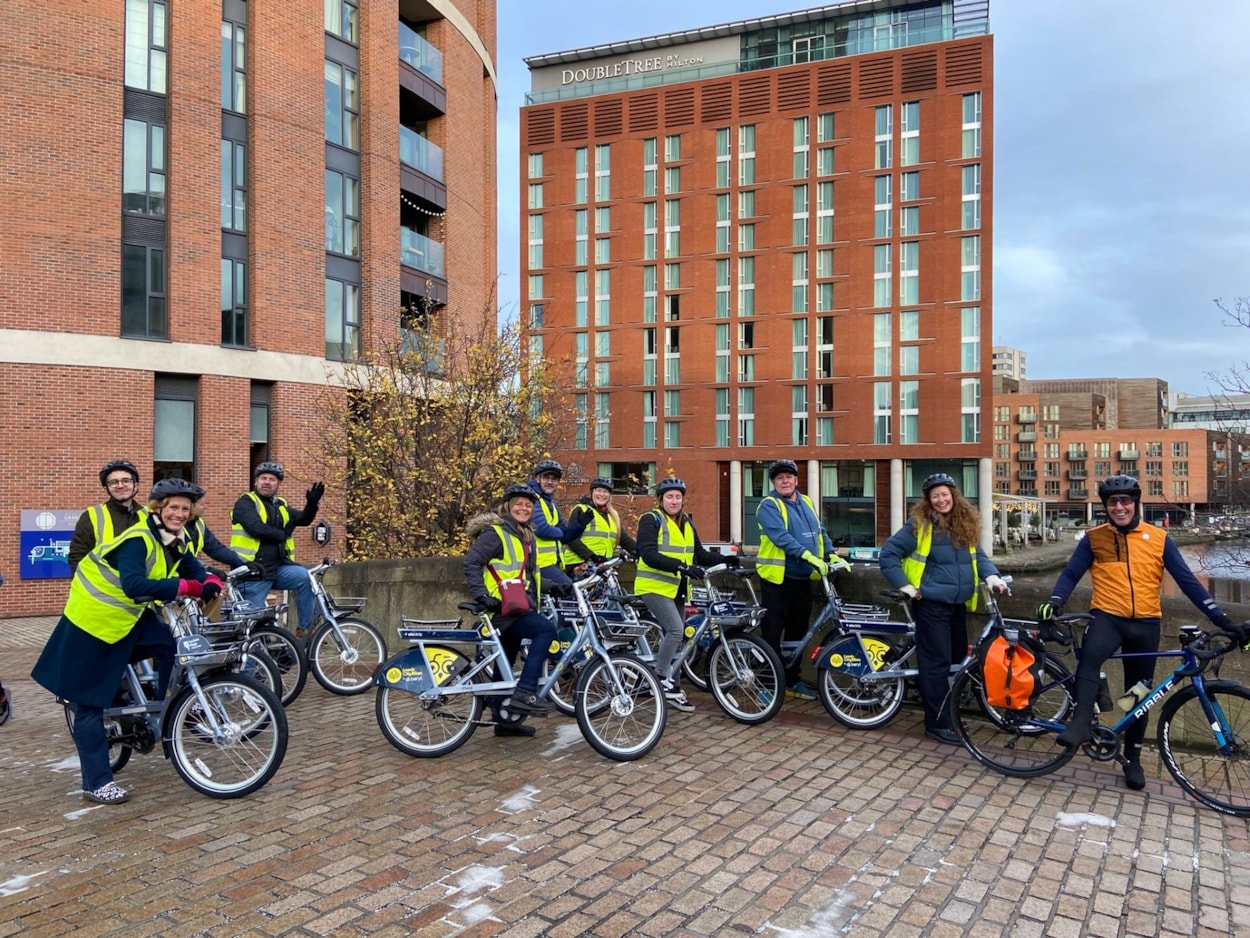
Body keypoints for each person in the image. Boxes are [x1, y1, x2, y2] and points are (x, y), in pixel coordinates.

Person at [1037, 474, 1245, 790]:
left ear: (1135, 503)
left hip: (1146, 623)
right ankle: (1080, 723)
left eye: (1125, 501)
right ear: (1105, 506)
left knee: (1139, 694)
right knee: (1091, 658)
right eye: (1112, 502)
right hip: (1108, 617)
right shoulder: (1094, 538)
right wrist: (1054, 601)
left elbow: (1189, 583)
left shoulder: (1159, 539)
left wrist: (1223, 620)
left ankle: (1132, 759)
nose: (1119, 507)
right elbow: (1070, 574)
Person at [31, 479, 223, 804]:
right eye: (173, 507)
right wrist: (190, 587)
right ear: (158, 509)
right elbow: (134, 584)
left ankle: (167, 708)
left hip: (129, 619)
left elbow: (193, 566)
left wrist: (212, 580)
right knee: (89, 705)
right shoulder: (138, 538)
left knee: (172, 647)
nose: (178, 513)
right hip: (93, 622)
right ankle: (96, 783)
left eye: (185, 509)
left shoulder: (174, 537)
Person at [880, 472, 1007, 745]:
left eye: (945, 494)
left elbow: (978, 556)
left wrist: (992, 576)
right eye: (935, 496)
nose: (941, 500)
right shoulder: (919, 526)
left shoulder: (963, 523)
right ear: (928, 500)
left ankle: (948, 713)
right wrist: (906, 586)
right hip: (930, 604)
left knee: (955, 660)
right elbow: (888, 554)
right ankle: (936, 723)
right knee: (936, 664)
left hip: (958, 604)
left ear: (954, 496)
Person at [463, 483, 560, 731]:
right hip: (501, 609)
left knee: (505, 661)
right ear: (507, 507)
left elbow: (524, 576)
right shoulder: (496, 533)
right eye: (519, 504)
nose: (524, 508)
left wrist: (553, 586)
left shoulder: (523, 536)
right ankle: (525, 692)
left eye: (528, 505)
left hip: (515, 606)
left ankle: (503, 721)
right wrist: (482, 595)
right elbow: (472, 562)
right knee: (545, 631)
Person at [634, 476, 729, 713]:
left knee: (679, 639)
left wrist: (728, 560)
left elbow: (700, 554)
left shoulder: (686, 522)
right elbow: (647, 554)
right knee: (676, 630)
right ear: (660, 500)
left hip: (676, 589)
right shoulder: (651, 519)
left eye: (678, 497)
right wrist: (682, 567)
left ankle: (673, 687)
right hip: (653, 586)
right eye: (669, 497)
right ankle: (659, 678)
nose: (674, 501)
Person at [756, 458, 837, 698]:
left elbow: (820, 531)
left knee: (799, 633)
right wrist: (805, 555)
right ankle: (766, 685)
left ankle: (792, 681)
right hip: (777, 580)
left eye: (788, 477)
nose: (784, 481)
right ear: (773, 482)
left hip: (803, 578)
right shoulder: (769, 505)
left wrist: (831, 554)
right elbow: (780, 536)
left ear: (796, 480)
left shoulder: (807, 502)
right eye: (779, 478)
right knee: (772, 633)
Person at [230, 461, 324, 636]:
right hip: (252, 573)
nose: (267, 482)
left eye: (272, 479)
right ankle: (250, 662)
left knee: (306, 578)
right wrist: (283, 534)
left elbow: (303, 520)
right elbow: (255, 527)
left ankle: (304, 632)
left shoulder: (279, 504)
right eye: (263, 478)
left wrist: (312, 504)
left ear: (278, 484)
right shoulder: (245, 502)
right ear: (256, 481)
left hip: (277, 569)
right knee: (252, 625)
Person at [67, 460, 144, 573]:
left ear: (135, 485)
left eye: (126, 481)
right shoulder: (92, 516)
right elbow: (77, 557)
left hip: (142, 588)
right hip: (103, 589)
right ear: (106, 488)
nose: (120, 486)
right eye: (113, 482)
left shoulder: (149, 516)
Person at [527, 459, 585, 592]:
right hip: (538, 564)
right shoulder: (532, 499)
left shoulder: (550, 504)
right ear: (537, 478)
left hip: (552, 564)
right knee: (571, 591)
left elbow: (565, 536)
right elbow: (541, 530)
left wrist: (579, 525)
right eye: (546, 477)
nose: (550, 482)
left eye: (554, 479)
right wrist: (560, 533)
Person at [566, 477, 637, 572]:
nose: (602, 494)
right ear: (592, 493)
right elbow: (572, 539)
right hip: (579, 565)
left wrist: (642, 552)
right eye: (599, 491)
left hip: (601, 566)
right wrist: (592, 556)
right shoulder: (581, 510)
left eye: (605, 492)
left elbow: (625, 540)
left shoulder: (612, 516)